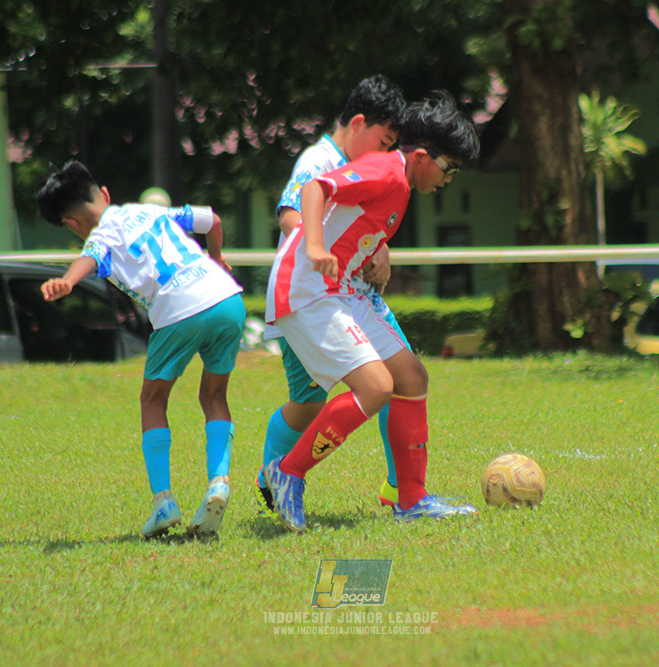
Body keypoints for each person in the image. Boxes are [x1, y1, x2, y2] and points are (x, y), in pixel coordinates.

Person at [262, 91, 481, 533]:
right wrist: (317, 247)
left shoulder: (400, 183)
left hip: (343, 291)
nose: (448, 179)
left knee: (412, 377)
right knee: (377, 387)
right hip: (309, 290)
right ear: (422, 156)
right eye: (449, 169)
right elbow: (315, 187)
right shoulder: (386, 169)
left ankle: (412, 499)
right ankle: (288, 471)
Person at [36, 160, 245, 538]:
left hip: (180, 309)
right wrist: (216, 257)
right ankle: (219, 481)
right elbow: (212, 220)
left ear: (71, 223)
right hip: (226, 297)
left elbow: (91, 257)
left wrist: (67, 281)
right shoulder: (149, 209)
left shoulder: (100, 235)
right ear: (104, 194)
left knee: (153, 400)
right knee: (214, 395)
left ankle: (163, 501)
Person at [257, 75, 410, 517]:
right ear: (358, 123)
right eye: (383, 142)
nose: (385, 154)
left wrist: (378, 247)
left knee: (403, 377)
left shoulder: (365, 164)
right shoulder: (318, 160)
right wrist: (321, 252)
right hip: (313, 299)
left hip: (355, 297)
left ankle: (402, 488)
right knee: (308, 402)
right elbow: (292, 219)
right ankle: (274, 472)